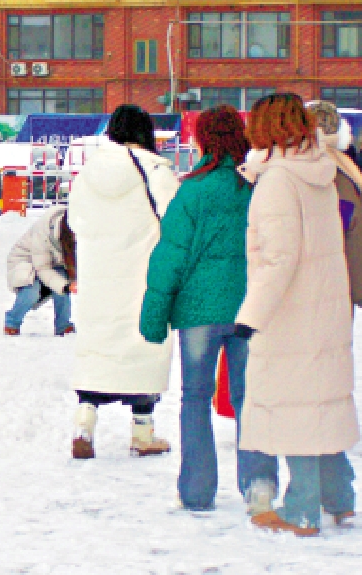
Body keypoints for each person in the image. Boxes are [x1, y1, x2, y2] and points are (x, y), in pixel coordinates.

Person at [140, 106, 278, 511]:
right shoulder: (256, 186)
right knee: (251, 398)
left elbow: (171, 255)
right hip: (251, 307)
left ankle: (197, 490)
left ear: (202, 139)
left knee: (196, 397)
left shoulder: (193, 190)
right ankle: (260, 486)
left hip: (199, 311)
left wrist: (154, 315)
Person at [235, 93, 359, 537]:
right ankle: (340, 496)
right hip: (322, 305)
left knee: (296, 408)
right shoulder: (320, 170)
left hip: (289, 311)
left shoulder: (278, 180)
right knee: (320, 401)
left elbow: (278, 258)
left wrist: (251, 316)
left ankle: (301, 509)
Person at [67, 105, 179, 460]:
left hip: (99, 276)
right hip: (141, 276)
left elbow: (74, 220)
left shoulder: (89, 171)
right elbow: (176, 218)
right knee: (143, 347)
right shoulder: (154, 170)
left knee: (98, 349)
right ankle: (143, 432)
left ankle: (84, 423)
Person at [306, 102, 362, 310]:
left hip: (298, 289)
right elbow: (354, 236)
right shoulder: (346, 173)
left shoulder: (289, 166)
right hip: (336, 287)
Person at [4, 204, 76, 337]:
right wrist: (66, 286)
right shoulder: (44, 230)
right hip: (25, 261)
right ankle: (12, 322)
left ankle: (63, 325)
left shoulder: (77, 231)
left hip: (53, 263)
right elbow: (43, 268)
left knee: (62, 284)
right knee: (32, 291)